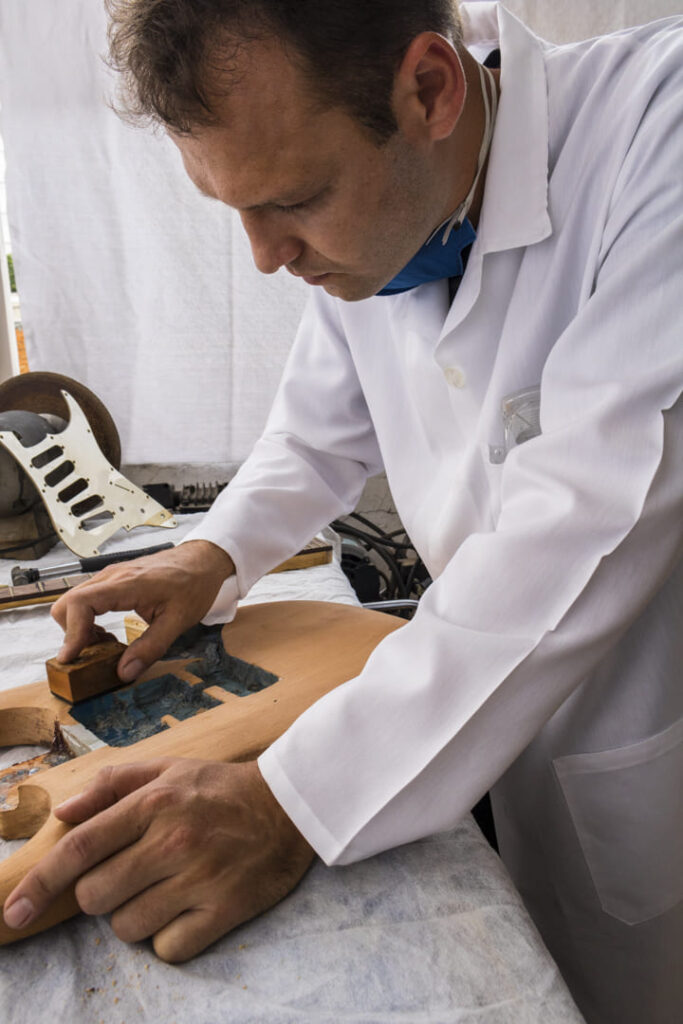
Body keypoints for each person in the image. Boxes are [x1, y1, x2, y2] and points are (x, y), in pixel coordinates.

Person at [4, 2, 682, 1021]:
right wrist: (213, 553)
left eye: (293, 201)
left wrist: (291, 800)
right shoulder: (380, 201)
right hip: (512, 744)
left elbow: (581, 516)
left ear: (428, 90)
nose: (265, 259)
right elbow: (321, 425)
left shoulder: (656, 138)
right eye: (228, 208)